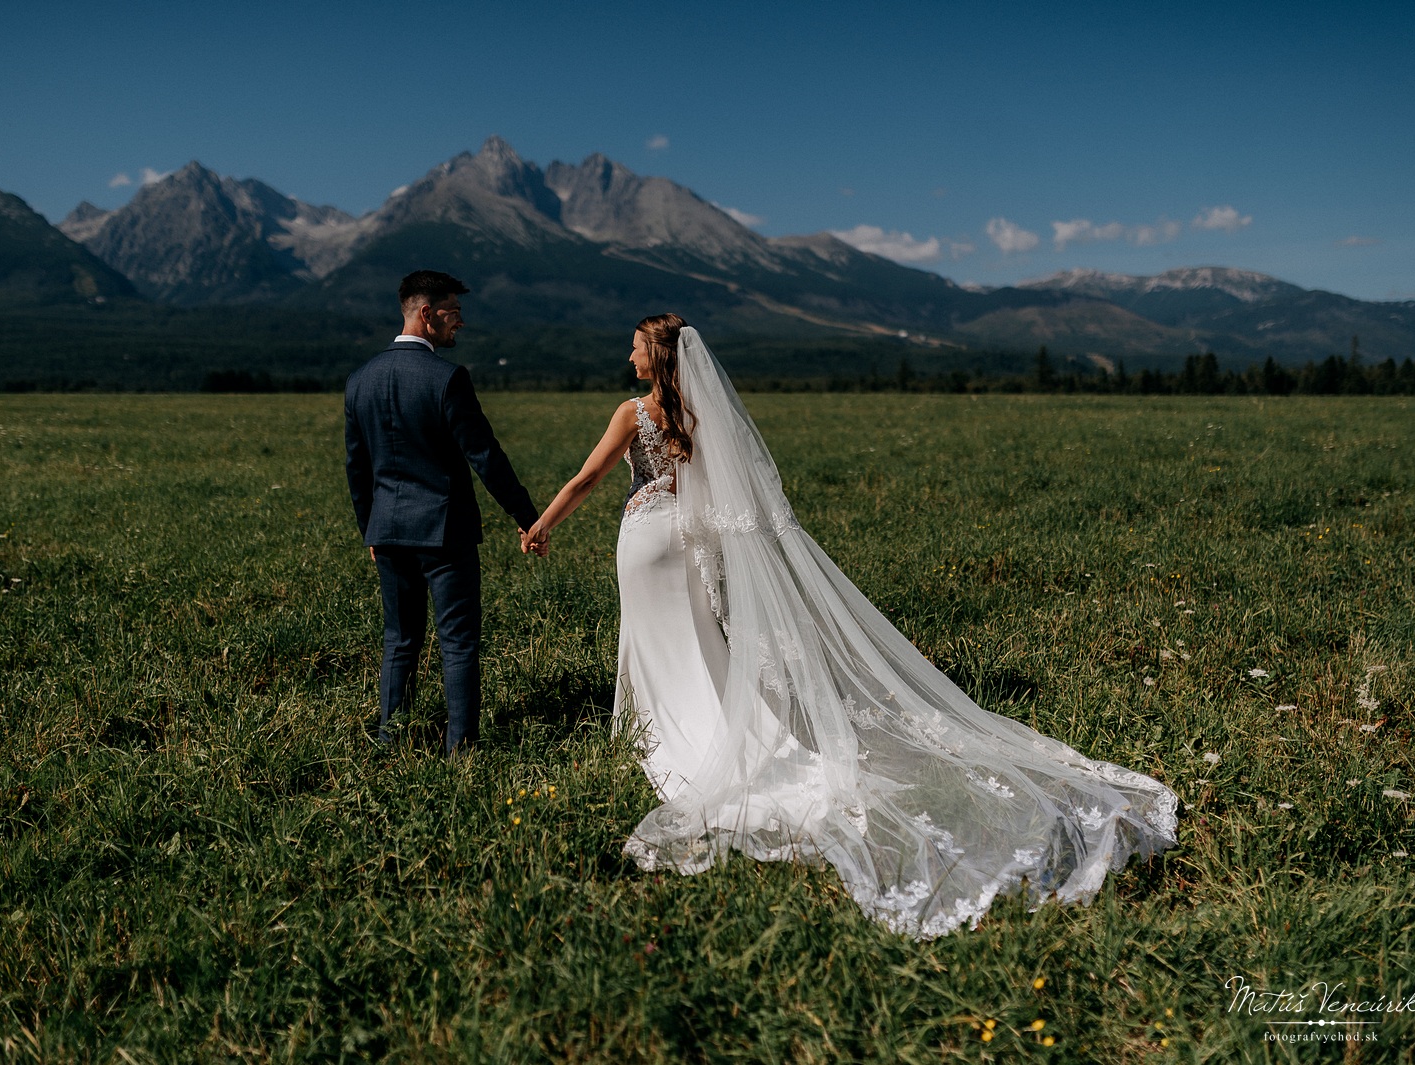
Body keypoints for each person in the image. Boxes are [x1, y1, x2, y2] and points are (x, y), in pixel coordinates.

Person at [522, 314, 1178, 940]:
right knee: (699, 647)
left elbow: (587, 477)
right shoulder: (699, 415)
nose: (627, 356)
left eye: (635, 347)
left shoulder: (630, 413)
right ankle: (720, 727)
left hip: (646, 543)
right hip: (691, 546)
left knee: (660, 648)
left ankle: (665, 731)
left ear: (656, 357)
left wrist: (543, 524)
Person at [345, 270, 547, 753]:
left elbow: (357, 467)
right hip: (444, 533)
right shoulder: (447, 378)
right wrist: (527, 517)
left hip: (388, 533)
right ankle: (462, 750)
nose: (460, 322)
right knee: (457, 642)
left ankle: (390, 742)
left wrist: (369, 530)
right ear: (426, 314)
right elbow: (485, 457)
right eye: (454, 312)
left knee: (400, 640)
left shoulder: (359, 380)